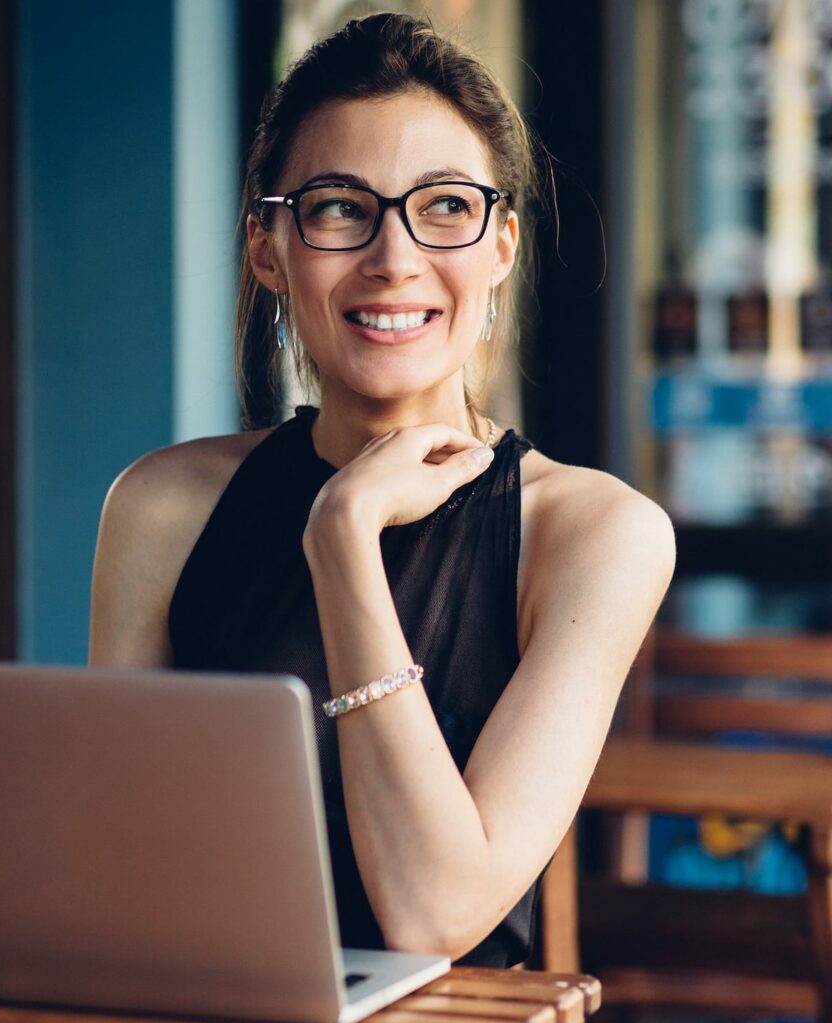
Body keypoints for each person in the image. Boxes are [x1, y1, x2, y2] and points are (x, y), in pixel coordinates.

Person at [89, 12, 674, 967]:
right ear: (268, 251)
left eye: (445, 205)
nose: (394, 256)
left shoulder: (602, 534)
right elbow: (116, 855)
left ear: (502, 247)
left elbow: (433, 913)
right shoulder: (162, 506)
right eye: (337, 207)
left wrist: (344, 533)